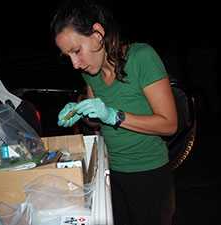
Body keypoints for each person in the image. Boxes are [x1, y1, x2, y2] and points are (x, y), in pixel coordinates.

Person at [50, 1, 178, 224]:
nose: (75, 64)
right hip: (110, 170)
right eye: (68, 56)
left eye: (76, 51)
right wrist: (80, 112)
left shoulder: (142, 57)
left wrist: (114, 115)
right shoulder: (91, 73)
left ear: (98, 34)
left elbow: (169, 125)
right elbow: (97, 121)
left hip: (148, 173)